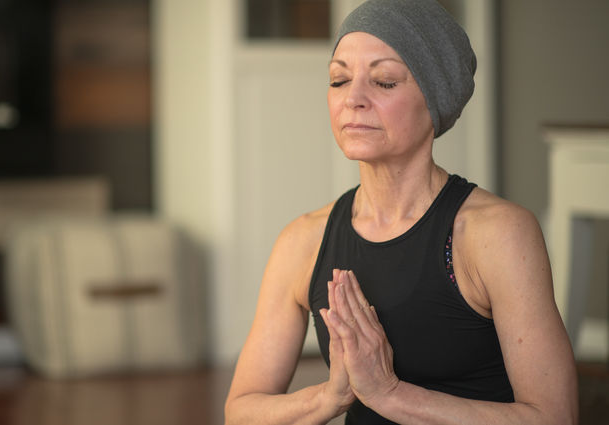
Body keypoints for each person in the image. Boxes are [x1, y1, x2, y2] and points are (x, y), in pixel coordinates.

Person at [224, 0, 579, 424]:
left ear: (435, 100)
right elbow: (241, 411)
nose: (353, 99)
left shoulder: (497, 234)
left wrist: (389, 394)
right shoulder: (303, 240)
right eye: (339, 79)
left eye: (385, 81)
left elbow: (554, 417)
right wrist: (331, 396)